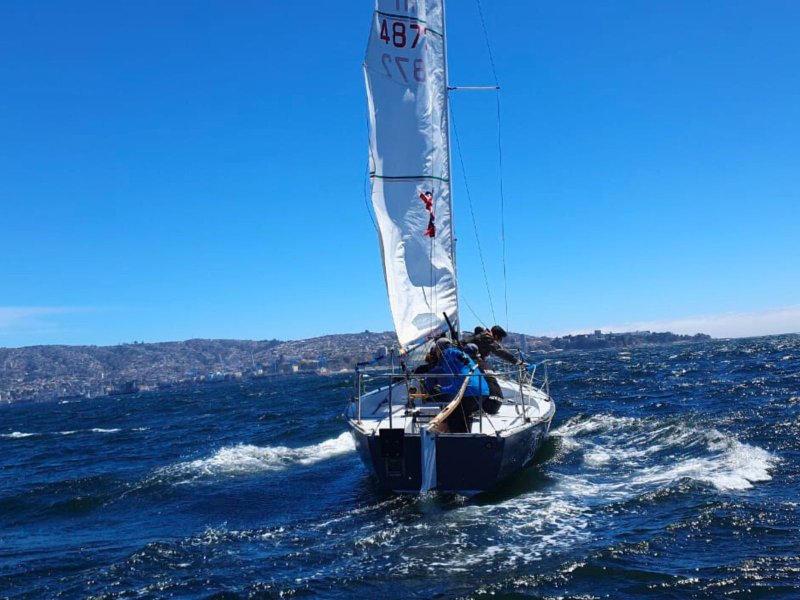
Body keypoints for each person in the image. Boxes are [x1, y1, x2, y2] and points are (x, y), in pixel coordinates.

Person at [424, 338, 489, 433]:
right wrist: (442, 390)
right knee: (461, 415)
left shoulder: (447, 353)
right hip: (482, 392)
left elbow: (452, 352)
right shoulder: (457, 361)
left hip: (470, 392)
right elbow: (457, 384)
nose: (436, 353)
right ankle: (466, 438)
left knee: (452, 417)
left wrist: (460, 356)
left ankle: (458, 441)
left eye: (436, 350)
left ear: (439, 348)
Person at [464, 325, 526, 400]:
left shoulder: (481, 336)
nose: (499, 341)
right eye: (500, 339)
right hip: (466, 360)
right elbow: (500, 352)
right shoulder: (487, 338)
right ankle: (485, 399)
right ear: (496, 336)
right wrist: (516, 361)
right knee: (487, 374)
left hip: (465, 359)